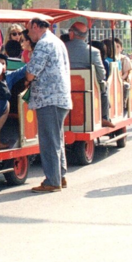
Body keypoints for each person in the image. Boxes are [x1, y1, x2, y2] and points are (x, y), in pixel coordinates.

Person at [24, 17, 72, 193]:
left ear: (36, 26)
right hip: (60, 97)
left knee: (49, 141)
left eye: (29, 30)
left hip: (48, 98)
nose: (28, 34)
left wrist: (25, 78)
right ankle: (60, 175)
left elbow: (31, 72)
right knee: (56, 139)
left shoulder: (43, 44)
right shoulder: (57, 41)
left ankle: (52, 181)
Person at [64, 21, 114, 128]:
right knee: (104, 86)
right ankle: (104, 117)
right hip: (87, 88)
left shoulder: (62, 48)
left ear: (71, 34)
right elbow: (101, 74)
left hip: (65, 87)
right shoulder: (93, 51)